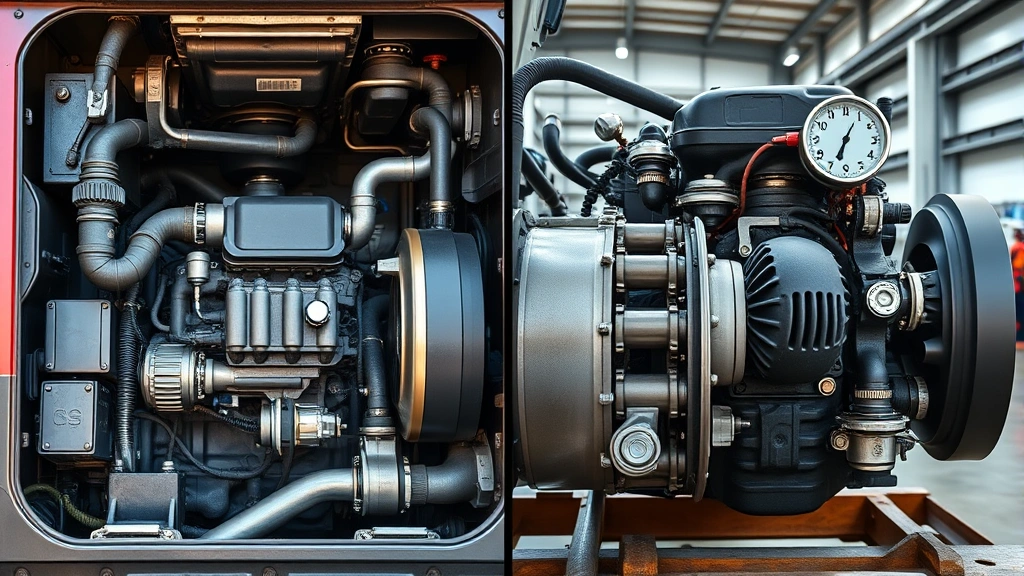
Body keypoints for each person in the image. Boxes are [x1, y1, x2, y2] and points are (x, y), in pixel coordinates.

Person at [1011, 229, 1024, 343]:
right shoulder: (1019, 248)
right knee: (1019, 311)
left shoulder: (1017, 247)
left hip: (1018, 285)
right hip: (1018, 285)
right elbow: (1017, 266)